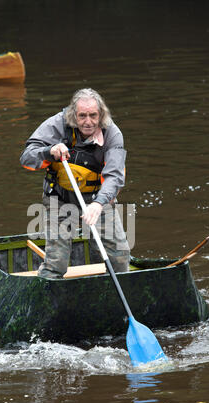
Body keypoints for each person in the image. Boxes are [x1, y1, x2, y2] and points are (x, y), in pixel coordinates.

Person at [20, 88, 130, 278]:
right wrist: (50, 151)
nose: (88, 122)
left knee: (120, 259)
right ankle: (47, 296)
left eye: (93, 116)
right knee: (57, 264)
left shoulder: (113, 134)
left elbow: (115, 177)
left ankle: (110, 295)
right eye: (82, 116)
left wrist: (98, 203)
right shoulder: (57, 124)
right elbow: (27, 157)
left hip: (98, 200)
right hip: (60, 199)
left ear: (101, 115)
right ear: (73, 115)